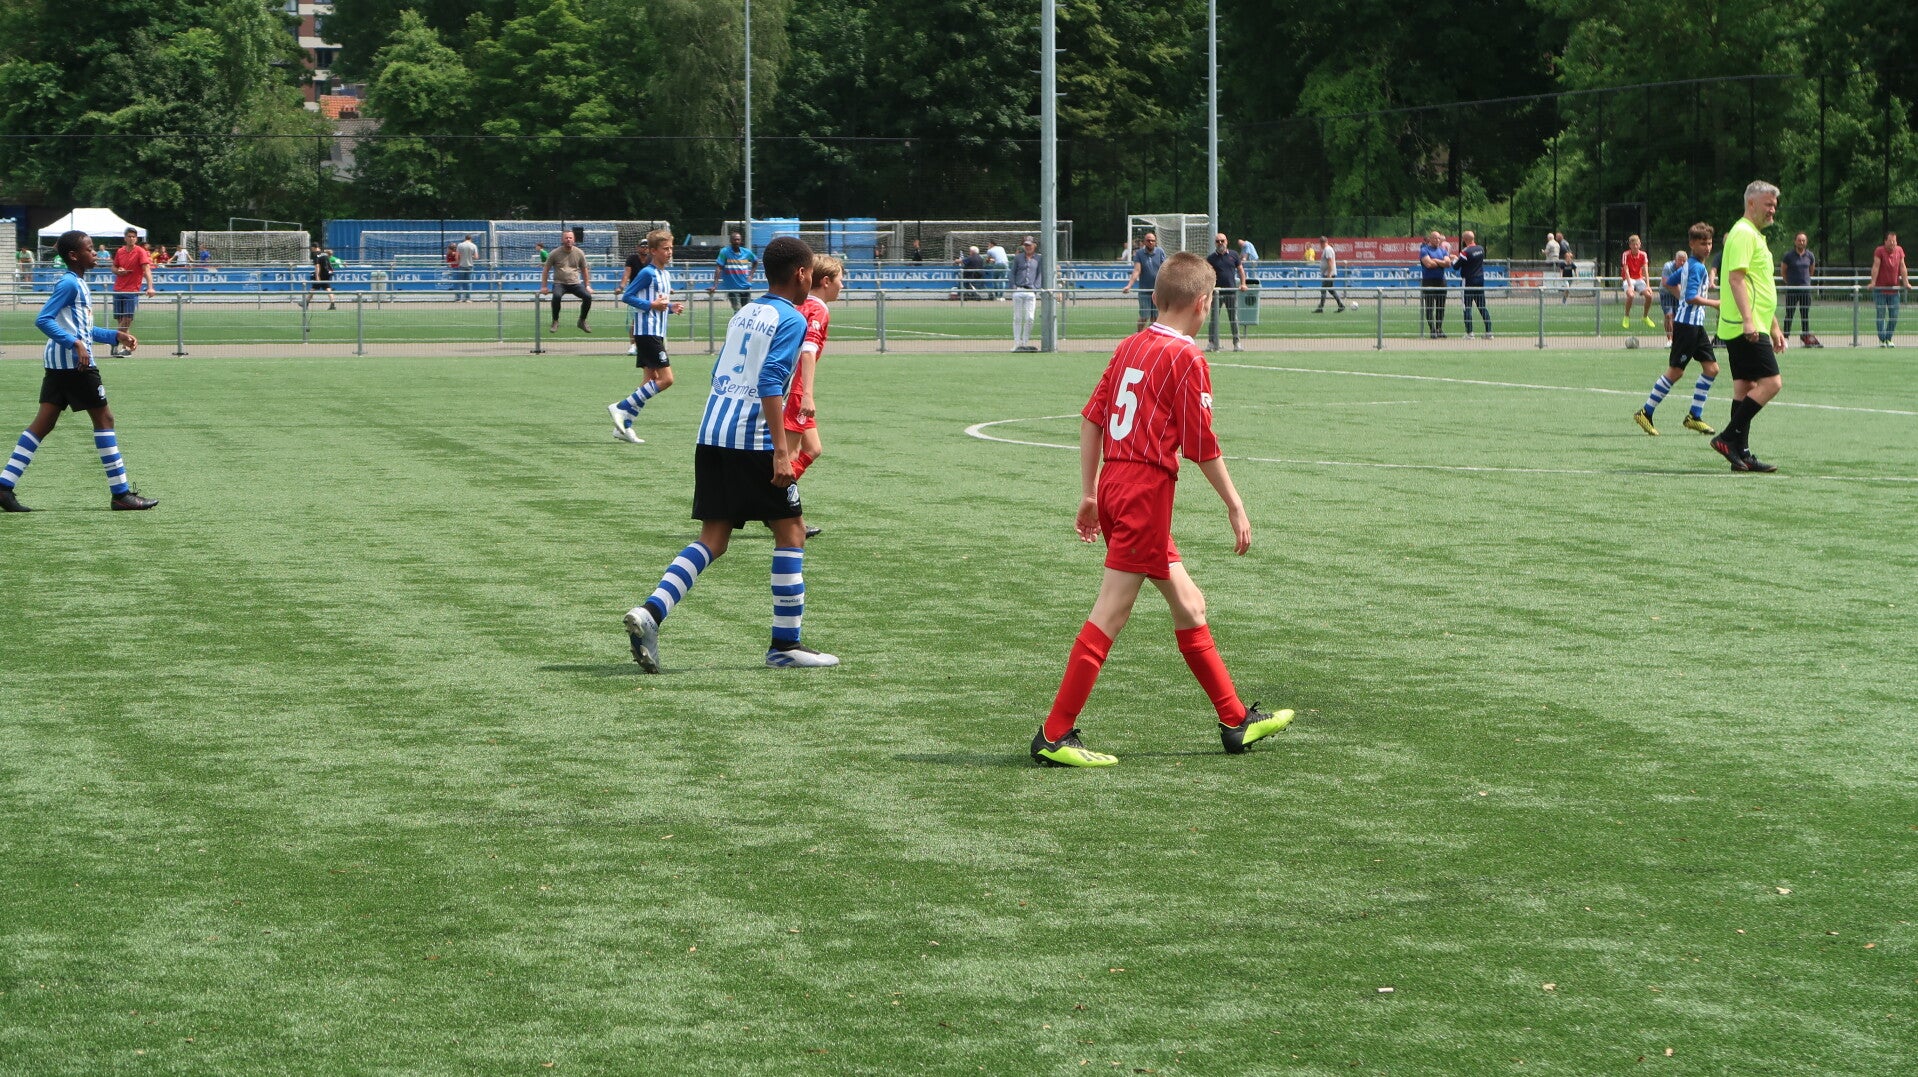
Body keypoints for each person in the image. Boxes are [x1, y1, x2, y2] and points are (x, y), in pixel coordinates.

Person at [1029, 251, 1292, 768]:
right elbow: (1201, 445)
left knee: (1190, 605)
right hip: (1144, 494)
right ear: (1204, 303)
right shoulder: (1187, 358)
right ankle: (1053, 735)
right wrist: (1236, 505)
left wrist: (1089, 493)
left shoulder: (1131, 344)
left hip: (1115, 484)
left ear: (1154, 296)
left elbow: (1092, 420)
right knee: (1112, 609)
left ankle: (1235, 721)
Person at [621, 236, 838, 672]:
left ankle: (651, 612)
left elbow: (719, 371)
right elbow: (770, 382)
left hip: (711, 434)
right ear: (801, 274)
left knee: (713, 539)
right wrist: (781, 452)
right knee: (792, 533)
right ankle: (785, 645)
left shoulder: (746, 311)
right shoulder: (791, 318)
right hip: (751, 440)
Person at [0, 230, 157, 513]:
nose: (95, 253)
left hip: (59, 365)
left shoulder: (78, 283)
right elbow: (43, 319)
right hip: (76, 365)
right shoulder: (70, 284)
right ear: (74, 255)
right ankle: (121, 494)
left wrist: (115, 335)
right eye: (89, 249)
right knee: (105, 419)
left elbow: (83, 329)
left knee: (43, 424)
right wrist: (75, 344)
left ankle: (3, 486)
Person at [1709, 181, 1787, 473]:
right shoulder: (1743, 233)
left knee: (1745, 387)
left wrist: (1774, 326)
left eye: (1774, 205)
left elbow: (1760, 286)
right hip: (1746, 325)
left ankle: (1741, 454)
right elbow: (1736, 279)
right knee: (1772, 383)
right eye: (1768, 204)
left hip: (1751, 323)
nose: (1773, 210)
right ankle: (1728, 438)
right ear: (1751, 203)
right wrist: (1749, 320)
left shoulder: (1752, 234)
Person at [1635, 223, 1721, 438]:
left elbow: (1668, 281)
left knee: (1711, 369)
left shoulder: (1690, 265)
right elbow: (1690, 297)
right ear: (1692, 244)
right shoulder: (1696, 267)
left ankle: (1694, 416)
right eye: (1702, 244)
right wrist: (1715, 303)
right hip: (1687, 326)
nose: (1707, 248)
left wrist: (1682, 297)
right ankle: (1645, 412)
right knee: (1676, 371)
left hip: (1696, 326)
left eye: (1709, 243)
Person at [607, 229, 685, 445]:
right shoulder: (647, 273)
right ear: (653, 251)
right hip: (646, 332)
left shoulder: (665, 275)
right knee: (666, 379)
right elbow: (628, 296)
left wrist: (670, 307)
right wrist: (652, 305)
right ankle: (621, 407)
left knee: (649, 380)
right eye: (665, 249)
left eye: (671, 248)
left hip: (656, 332)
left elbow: (659, 304)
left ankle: (625, 426)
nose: (669, 252)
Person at [784, 254, 842, 540]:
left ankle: (772, 504)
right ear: (826, 281)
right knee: (790, 456)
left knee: (813, 448)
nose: (843, 286)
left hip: (790, 388)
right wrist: (806, 394)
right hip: (795, 390)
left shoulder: (800, 304)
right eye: (841, 279)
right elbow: (807, 352)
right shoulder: (818, 309)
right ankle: (781, 514)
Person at [108, 227, 154, 358]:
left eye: (134, 237)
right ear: (125, 238)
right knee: (120, 320)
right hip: (118, 289)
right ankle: (124, 347)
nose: (131, 239)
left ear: (136, 239)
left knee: (127, 319)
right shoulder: (120, 251)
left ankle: (114, 340)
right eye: (129, 236)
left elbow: (146, 269)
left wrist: (150, 287)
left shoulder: (140, 251)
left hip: (132, 290)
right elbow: (114, 267)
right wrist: (118, 271)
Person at [539, 229, 593, 332]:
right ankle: (555, 320)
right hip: (560, 283)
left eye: (570, 238)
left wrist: (587, 285)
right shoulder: (554, 253)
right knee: (556, 296)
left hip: (575, 283)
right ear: (562, 240)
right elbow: (546, 270)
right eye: (566, 238)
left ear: (574, 240)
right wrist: (544, 286)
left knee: (587, 297)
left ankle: (582, 320)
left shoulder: (579, 252)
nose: (568, 240)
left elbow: (584, 270)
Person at [1204, 231, 1245, 351]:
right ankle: (1212, 343)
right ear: (1215, 243)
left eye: (1222, 241)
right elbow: (1206, 275)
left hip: (1231, 292)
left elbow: (1241, 270)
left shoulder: (1234, 255)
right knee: (1214, 319)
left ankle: (1237, 343)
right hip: (1216, 294)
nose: (1220, 243)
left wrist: (1243, 284)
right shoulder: (1211, 258)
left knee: (1234, 319)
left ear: (1226, 242)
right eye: (1218, 241)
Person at [1779, 232, 1821, 348]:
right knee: (1789, 314)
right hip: (1792, 290)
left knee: (1805, 314)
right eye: (1799, 240)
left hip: (1805, 290)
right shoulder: (1788, 256)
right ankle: (1785, 337)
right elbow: (1783, 272)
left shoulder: (1810, 256)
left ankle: (1806, 337)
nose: (1801, 242)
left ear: (1806, 242)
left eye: (1803, 240)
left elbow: (1811, 271)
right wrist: (1790, 282)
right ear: (1795, 241)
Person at [1871, 231, 1910, 347]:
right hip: (1880, 290)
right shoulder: (1879, 251)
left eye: (1894, 241)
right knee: (1881, 315)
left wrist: (1906, 282)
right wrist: (1873, 282)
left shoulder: (1899, 250)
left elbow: (1902, 267)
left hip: (1894, 290)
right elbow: (1876, 266)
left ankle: (1888, 338)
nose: (1893, 243)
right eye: (1890, 241)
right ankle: (1882, 340)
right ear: (1885, 241)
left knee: (1894, 315)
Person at [1120, 231, 1166, 330]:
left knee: (1155, 318)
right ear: (1144, 242)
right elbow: (1137, 270)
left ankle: (1150, 336)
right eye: (1148, 240)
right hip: (1144, 290)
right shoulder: (1139, 254)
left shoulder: (1160, 252)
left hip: (1157, 291)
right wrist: (1129, 285)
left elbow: (1164, 269)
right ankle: (1138, 334)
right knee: (1144, 316)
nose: (1151, 242)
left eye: (1153, 240)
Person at [1008, 236, 1042, 352]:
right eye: (1026, 245)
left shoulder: (1039, 258)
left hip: (1030, 290)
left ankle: (1025, 342)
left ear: (1034, 245)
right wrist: (1013, 286)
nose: (1028, 247)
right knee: (1017, 317)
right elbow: (1012, 273)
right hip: (1019, 289)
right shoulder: (1018, 258)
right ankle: (1017, 342)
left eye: (1029, 245)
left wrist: (1036, 287)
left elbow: (1040, 273)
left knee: (1030, 318)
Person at [710, 230, 758, 311]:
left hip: (746, 286)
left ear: (741, 241)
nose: (736, 241)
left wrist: (751, 275)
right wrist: (715, 285)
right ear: (731, 241)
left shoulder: (746, 252)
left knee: (746, 311)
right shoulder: (725, 252)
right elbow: (719, 268)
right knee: (738, 310)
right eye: (734, 239)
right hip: (732, 288)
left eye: (738, 239)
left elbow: (756, 261)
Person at [1455, 230, 1490, 339]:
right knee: (1482, 306)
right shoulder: (1481, 249)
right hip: (1479, 280)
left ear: (1464, 240)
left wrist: (1453, 260)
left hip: (1468, 281)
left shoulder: (1465, 252)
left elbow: (1456, 266)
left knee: (1467, 307)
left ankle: (1470, 333)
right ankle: (1489, 332)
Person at [1418, 230, 1453, 338]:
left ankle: (1439, 328)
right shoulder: (1424, 250)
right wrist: (1441, 263)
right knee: (1429, 307)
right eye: (1435, 238)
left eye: (1438, 238)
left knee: (1441, 307)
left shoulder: (1443, 250)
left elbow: (1448, 263)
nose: (1437, 240)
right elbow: (1429, 264)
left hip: (1441, 281)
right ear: (1430, 239)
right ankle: (1432, 329)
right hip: (1428, 281)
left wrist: (1436, 260)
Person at [1620, 234, 1654, 330]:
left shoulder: (1643, 255)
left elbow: (1646, 270)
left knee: (1649, 296)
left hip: (1639, 278)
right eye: (1633, 244)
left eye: (1637, 244)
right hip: (1628, 278)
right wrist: (1630, 285)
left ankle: (1645, 317)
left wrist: (1648, 285)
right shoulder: (1626, 254)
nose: (1635, 246)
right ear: (1630, 245)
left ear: (1640, 244)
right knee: (1631, 295)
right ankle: (1626, 316)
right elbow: (1626, 270)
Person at [1658, 249, 1687, 345]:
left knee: (1678, 317)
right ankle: (1670, 339)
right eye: (1680, 260)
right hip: (1666, 293)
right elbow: (1666, 282)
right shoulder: (1668, 266)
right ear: (1675, 259)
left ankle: (1677, 339)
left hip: (1679, 293)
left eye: (1684, 261)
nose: (1682, 263)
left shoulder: (1687, 268)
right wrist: (1681, 295)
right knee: (1669, 315)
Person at [1311, 235, 1344, 313]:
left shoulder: (1327, 249)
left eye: (1320, 243)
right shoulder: (1327, 249)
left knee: (1323, 289)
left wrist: (1329, 274)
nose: (1320, 245)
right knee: (1331, 290)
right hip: (1328, 273)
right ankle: (1341, 305)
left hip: (1328, 274)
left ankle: (1320, 308)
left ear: (1322, 243)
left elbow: (1330, 261)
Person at [308, 240, 337, 311]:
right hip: (328, 272)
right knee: (326, 288)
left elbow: (317, 266)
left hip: (322, 274)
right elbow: (328, 259)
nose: (311, 250)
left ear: (314, 247)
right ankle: (332, 304)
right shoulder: (324, 253)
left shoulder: (315, 255)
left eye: (312, 248)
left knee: (315, 287)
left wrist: (317, 276)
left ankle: (306, 302)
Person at [455, 234, 479, 302]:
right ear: (471, 239)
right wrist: (471, 256)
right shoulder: (473, 245)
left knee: (460, 282)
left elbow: (456, 256)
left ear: (465, 238)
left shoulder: (460, 245)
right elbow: (476, 257)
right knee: (468, 283)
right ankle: (468, 298)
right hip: (470, 266)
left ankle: (459, 298)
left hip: (461, 265)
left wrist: (458, 262)